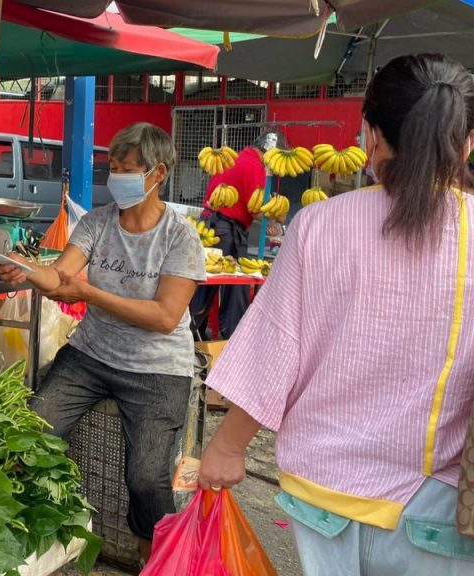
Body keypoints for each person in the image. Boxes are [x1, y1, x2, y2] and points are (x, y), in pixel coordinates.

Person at [199, 53, 474, 574]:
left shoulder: (319, 223)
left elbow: (274, 349)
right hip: (438, 504)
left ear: (370, 137)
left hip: (323, 495)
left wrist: (228, 450)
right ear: (467, 144)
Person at [0, 122, 205, 563]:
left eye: (129, 169)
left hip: (157, 368)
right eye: (114, 168)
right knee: (32, 430)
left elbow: (165, 317)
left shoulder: (180, 236)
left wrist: (90, 294)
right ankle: (31, 534)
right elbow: (61, 275)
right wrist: (25, 270)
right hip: (91, 354)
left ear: (158, 174)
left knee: (147, 477)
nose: (118, 178)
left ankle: (157, 560)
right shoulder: (98, 222)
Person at [188, 132, 277, 340]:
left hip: (209, 223)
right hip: (226, 228)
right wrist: (275, 218)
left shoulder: (236, 158)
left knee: (205, 283)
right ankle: (233, 339)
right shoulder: (254, 166)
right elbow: (255, 210)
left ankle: (190, 333)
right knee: (236, 284)